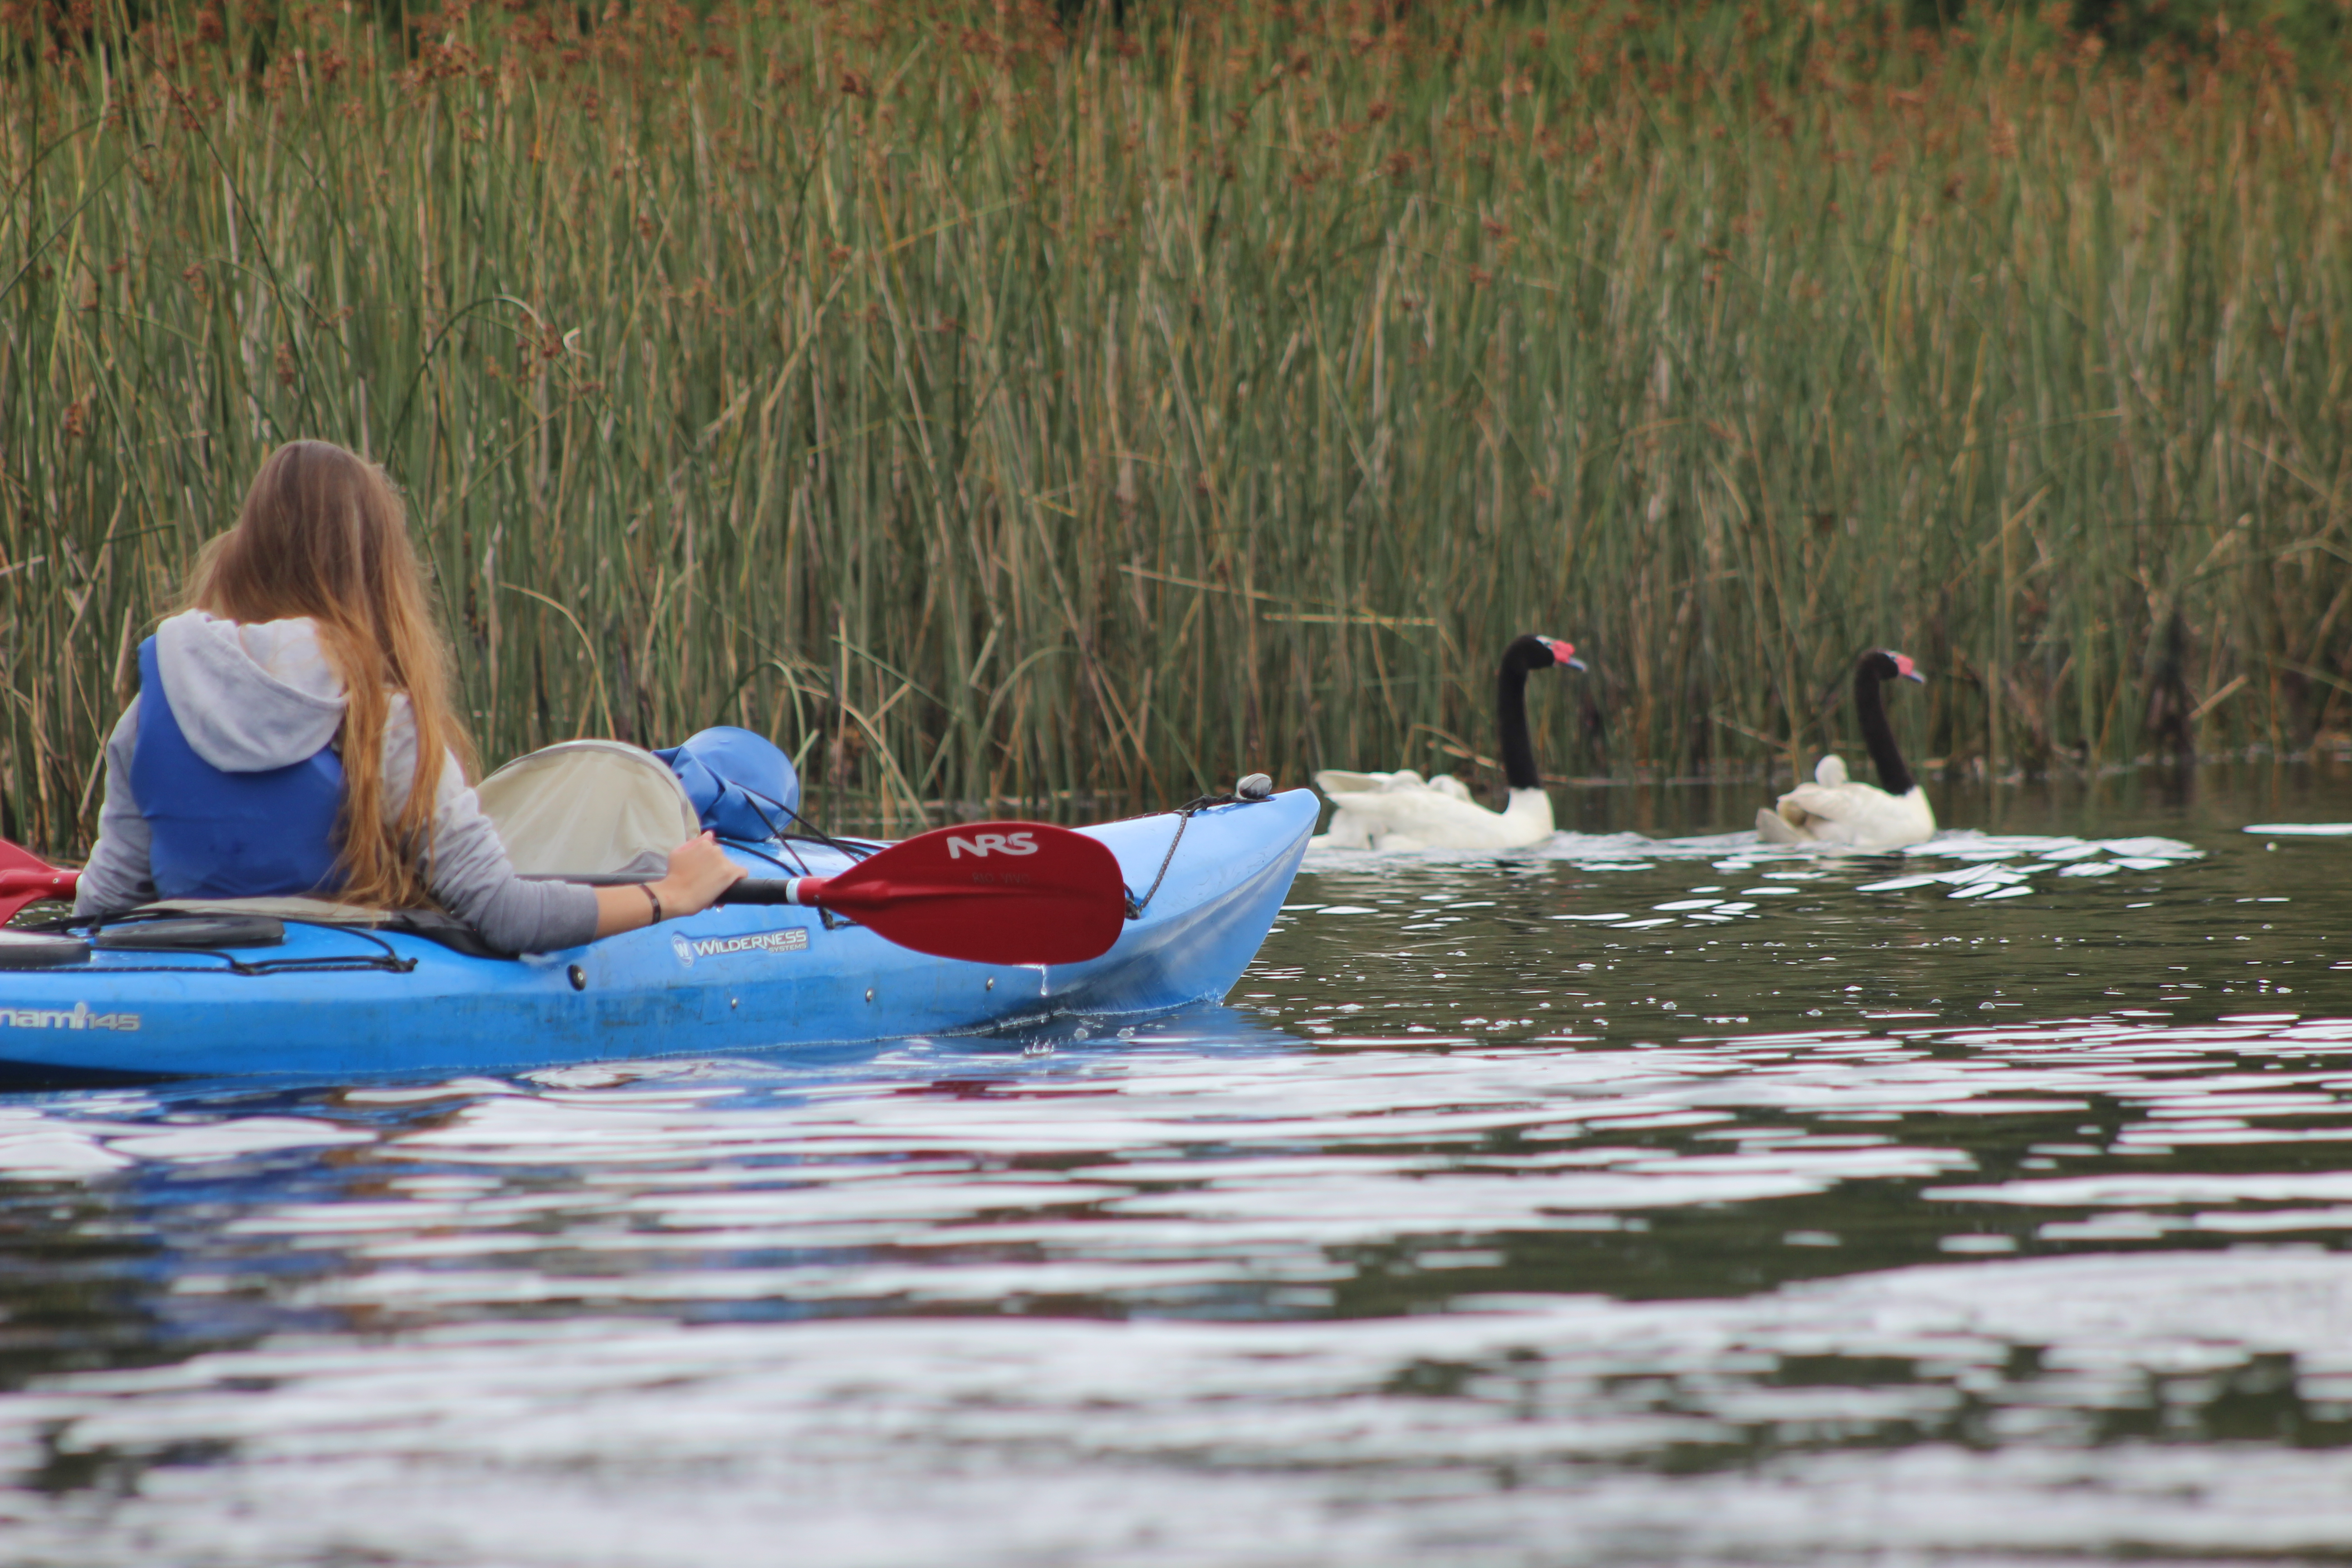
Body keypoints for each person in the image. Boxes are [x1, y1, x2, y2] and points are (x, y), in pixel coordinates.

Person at [74, 439, 743, 951]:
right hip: (341, 996)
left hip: (185, 994)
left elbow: (98, 911)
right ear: (372, 572)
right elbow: (506, 917)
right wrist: (671, 894)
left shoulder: (154, 708)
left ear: (244, 553)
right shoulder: (378, 718)